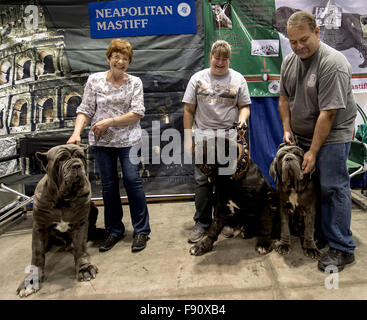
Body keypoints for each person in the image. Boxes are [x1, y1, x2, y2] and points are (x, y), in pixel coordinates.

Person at [278, 11, 356, 272]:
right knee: (312, 189)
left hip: (333, 133)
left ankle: (342, 247)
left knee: (333, 187)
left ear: (317, 32)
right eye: (293, 41)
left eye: (304, 39)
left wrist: (312, 151)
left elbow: (329, 113)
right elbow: (284, 99)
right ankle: (323, 233)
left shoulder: (332, 63)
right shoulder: (289, 62)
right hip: (302, 134)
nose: (299, 46)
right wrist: (288, 129)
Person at [67, 39, 151, 253]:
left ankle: (141, 230)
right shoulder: (94, 81)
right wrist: (76, 133)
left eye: (125, 58)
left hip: (129, 140)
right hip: (102, 142)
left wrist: (109, 121)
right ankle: (114, 230)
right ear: (108, 58)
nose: (120, 61)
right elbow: (85, 109)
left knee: (133, 181)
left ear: (129, 62)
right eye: (116, 57)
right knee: (108, 186)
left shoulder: (135, 83)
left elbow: (137, 112)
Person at [183, 40, 251, 243]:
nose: (220, 61)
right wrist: (188, 139)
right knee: (202, 182)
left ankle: (223, 221)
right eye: (217, 57)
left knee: (227, 182)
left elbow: (244, 106)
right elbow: (188, 110)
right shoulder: (197, 78)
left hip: (229, 139)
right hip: (203, 137)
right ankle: (202, 223)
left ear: (229, 59)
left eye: (224, 58)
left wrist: (242, 119)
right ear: (210, 56)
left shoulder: (238, 78)